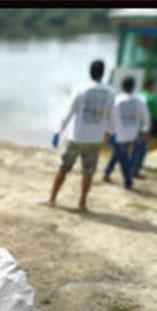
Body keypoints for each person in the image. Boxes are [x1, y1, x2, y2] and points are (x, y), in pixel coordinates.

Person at [48, 60, 115, 211]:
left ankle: (52, 198)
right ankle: (82, 202)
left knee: (63, 167)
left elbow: (68, 112)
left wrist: (58, 132)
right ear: (103, 73)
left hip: (77, 136)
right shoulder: (110, 92)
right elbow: (112, 116)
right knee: (88, 171)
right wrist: (111, 133)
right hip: (95, 139)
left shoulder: (80, 89)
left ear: (90, 71)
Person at [103, 77, 150, 189]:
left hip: (119, 133)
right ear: (133, 87)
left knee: (123, 156)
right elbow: (146, 116)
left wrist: (108, 131)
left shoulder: (118, 100)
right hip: (133, 133)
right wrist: (145, 129)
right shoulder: (140, 100)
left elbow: (110, 117)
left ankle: (128, 180)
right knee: (118, 152)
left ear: (122, 86)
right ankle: (107, 172)